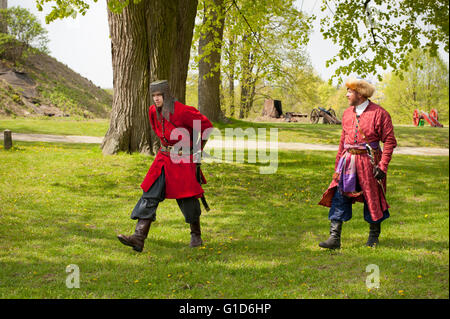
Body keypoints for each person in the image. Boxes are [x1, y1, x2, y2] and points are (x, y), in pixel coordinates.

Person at [117, 80, 213, 252]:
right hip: (163, 158)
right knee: (150, 194)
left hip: (182, 159)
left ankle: (196, 236)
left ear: (166, 95)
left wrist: (197, 151)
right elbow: (157, 129)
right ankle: (138, 238)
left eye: (159, 95)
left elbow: (206, 127)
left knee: (187, 198)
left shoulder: (184, 111)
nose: (156, 99)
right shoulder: (153, 111)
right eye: (153, 96)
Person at [318, 76, 397, 249]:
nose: (346, 94)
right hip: (347, 163)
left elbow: (390, 141)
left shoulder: (379, 114)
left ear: (360, 94)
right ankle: (334, 238)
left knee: (372, 198)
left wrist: (382, 166)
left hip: (370, 163)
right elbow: (342, 142)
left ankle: (373, 238)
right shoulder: (346, 114)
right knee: (340, 196)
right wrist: (337, 167)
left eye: (349, 91)